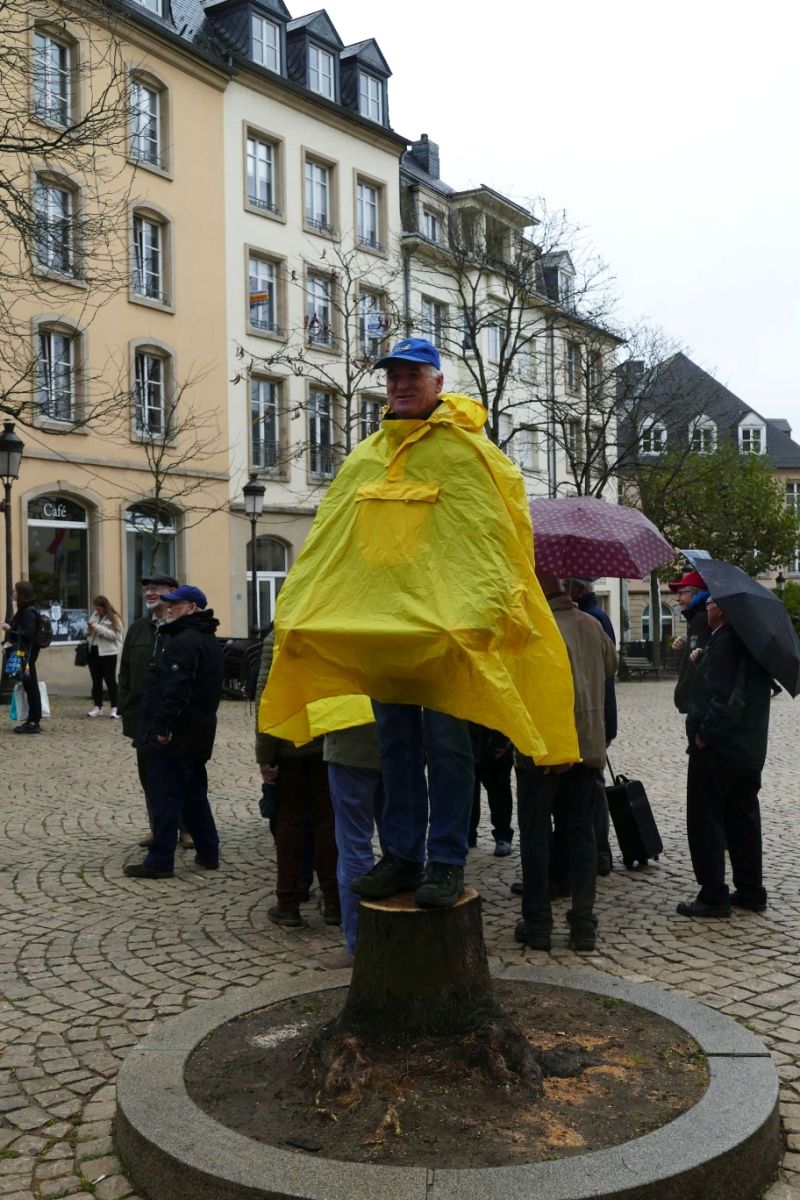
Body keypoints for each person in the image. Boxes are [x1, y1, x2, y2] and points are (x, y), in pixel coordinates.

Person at [259, 337, 577, 911]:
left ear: (438, 382)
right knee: (395, 747)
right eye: (393, 377)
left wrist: (479, 614)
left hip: (443, 638)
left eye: (413, 375)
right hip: (387, 634)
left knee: (448, 750)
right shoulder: (367, 455)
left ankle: (447, 861)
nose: (401, 385)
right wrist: (307, 606)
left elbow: (495, 540)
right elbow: (333, 542)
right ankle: (403, 856)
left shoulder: (470, 453)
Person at [515, 569, 618, 952]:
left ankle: (538, 924)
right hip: (586, 748)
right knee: (581, 835)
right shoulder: (592, 624)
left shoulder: (534, 627)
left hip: (542, 749)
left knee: (536, 836)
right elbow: (611, 666)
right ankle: (583, 925)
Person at [676, 595, 772, 918]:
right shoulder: (748, 641)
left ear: (723, 612)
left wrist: (703, 736)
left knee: (706, 822)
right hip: (747, 750)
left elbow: (727, 700)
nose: (707, 607)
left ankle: (713, 895)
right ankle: (751, 890)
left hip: (720, 750)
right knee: (743, 820)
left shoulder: (727, 643)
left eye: (712, 603)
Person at [124, 585, 223, 880]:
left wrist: (162, 728)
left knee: (165, 798)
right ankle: (208, 851)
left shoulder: (185, 641)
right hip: (198, 732)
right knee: (194, 795)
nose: (168, 607)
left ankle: (159, 860)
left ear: (192, 607)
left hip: (176, 735)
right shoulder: (206, 638)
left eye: (175, 603)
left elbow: (175, 689)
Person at [255, 630, 340, 928]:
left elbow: (267, 695)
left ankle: (288, 902)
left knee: (289, 821)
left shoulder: (280, 635)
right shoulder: (328, 630)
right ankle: (334, 901)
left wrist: (265, 754)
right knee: (327, 820)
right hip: (327, 740)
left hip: (288, 742)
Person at [118, 574, 193, 850]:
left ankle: (186, 828)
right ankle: (158, 827)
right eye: (147, 589)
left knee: (179, 775)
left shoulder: (181, 629)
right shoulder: (138, 629)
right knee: (148, 776)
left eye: (155, 589)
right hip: (142, 718)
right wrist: (126, 702)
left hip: (175, 717)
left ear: (172, 592)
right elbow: (125, 671)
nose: (149, 593)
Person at [322, 722, 384, 967]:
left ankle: (359, 944)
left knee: (353, 846)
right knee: (402, 847)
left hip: (350, 742)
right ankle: (403, 937)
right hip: (400, 742)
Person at [568, 578, 618, 875]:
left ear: (579, 589)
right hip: (598, 715)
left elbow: (606, 669)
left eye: (568, 584)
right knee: (591, 785)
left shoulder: (592, 618)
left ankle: (599, 852)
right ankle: (597, 852)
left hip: (596, 716)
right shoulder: (594, 616)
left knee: (594, 787)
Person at [1, 581, 43, 735]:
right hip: (25, 653)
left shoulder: (29, 611)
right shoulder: (25, 610)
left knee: (31, 686)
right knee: (29, 685)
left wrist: (9, 629)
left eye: (15, 591)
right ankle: (32, 719)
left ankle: (34, 721)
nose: (13, 593)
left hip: (27, 654)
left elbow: (28, 633)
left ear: (22, 594)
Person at [468, 724, 514, 856]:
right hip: (469, 729)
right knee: (468, 788)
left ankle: (503, 835)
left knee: (499, 786)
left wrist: (507, 737)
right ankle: (468, 834)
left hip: (498, 729)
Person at [668, 570, 710, 713]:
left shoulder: (701, 619)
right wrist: (685, 646)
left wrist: (683, 697)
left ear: (695, 593)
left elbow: (697, 664)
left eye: (681, 593)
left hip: (698, 702)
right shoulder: (699, 617)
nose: (678, 599)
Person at [85, 595, 124, 718]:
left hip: (108, 653)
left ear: (105, 607)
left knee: (110, 680)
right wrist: (88, 629)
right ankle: (98, 707)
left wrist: (98, 628)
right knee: (96, 680)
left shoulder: (114, 618)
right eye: (95, 608)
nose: (97, 611)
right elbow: (86, 633)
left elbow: (115, 636)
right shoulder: (94, 615)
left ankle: (115, 707)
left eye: (99, 609)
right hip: (93, 652)